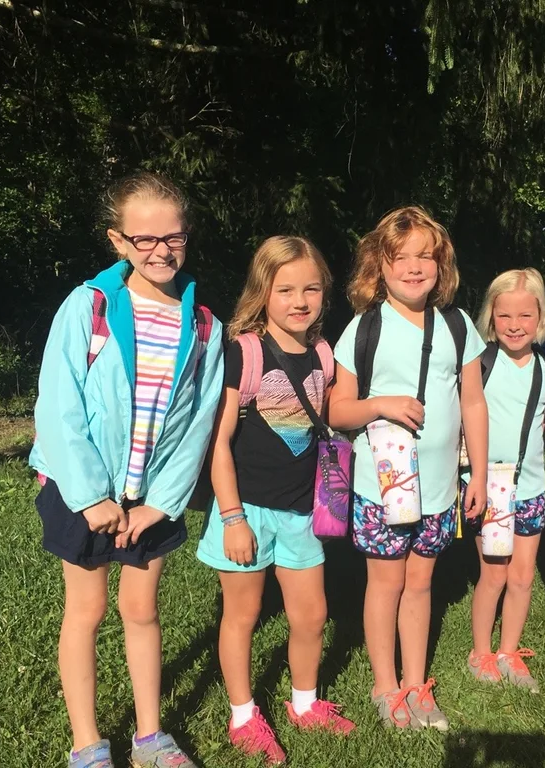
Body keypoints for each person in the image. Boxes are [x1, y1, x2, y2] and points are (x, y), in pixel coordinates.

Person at [30, 171, 223, 768]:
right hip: (80, 492)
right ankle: (87, 745)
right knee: (85, 612)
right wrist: (91, 496)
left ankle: (149, 738)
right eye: (144, 239)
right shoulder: (87, 307)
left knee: (142, 611)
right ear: (118, 241)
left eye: (174, 237)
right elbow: (59, 407)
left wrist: (161, 502)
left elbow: (199, 422)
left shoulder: (204, 324)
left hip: (152, 501)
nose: (161, 250)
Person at [328, 206, 489, 730]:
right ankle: (384, 686)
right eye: (402, 257)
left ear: (442, 266)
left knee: (421, 585)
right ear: (381, 265)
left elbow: (473, 404)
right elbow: (337, 409)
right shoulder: (363, 328)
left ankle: (417, 684)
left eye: (427, 256)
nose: (415, 267)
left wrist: (480, 476)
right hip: (382, 488)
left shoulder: (458, 325)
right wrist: (381, 405)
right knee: (386, 585)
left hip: (440, 491)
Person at [196, 236, 354, 765]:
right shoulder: (244, 352)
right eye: (285, 289)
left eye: (311, 288)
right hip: (244, 510)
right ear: (262, 292)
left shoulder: (324, 355)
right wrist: (233, 518)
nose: (300, 300)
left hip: (301, 512)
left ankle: (304, 703)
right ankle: (242, 714)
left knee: (312, 615)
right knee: (243, 614)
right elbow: (218, 443)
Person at [464, 268, 545, 693]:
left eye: (525, 316)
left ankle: (509, 651)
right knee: (494, 575)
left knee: (523, 576)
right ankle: (480, 652)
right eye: (505, 316)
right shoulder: (481, 364)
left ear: (540, 316)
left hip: (531, 487)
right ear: (491, 316)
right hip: (491, 484)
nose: (514, 325)